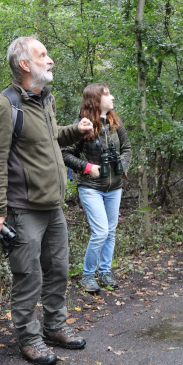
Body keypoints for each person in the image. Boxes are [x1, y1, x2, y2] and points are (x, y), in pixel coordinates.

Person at [0, 36, 94, 365]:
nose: (50, 60)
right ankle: (30, 338)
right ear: (25, 64)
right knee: (28, 275)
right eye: (43, 55)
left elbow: (49, 136)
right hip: (23, 207)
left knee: (58, 270)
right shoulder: (4, 107)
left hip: (52, 206)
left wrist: (76, 130)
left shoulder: (44, 100)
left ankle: (55, 328)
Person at [61, 84, 131, 294]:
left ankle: (105, 272)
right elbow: (65, 153)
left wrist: (123, 168)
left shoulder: (114, 123)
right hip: (90, 186)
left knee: (110, 231)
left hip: (114, 187)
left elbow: (127, 148)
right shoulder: (82, 125)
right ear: (95, 100)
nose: (112, 98)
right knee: (101, 231)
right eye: (107, 94)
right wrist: (87, 167)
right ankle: (88, 275)